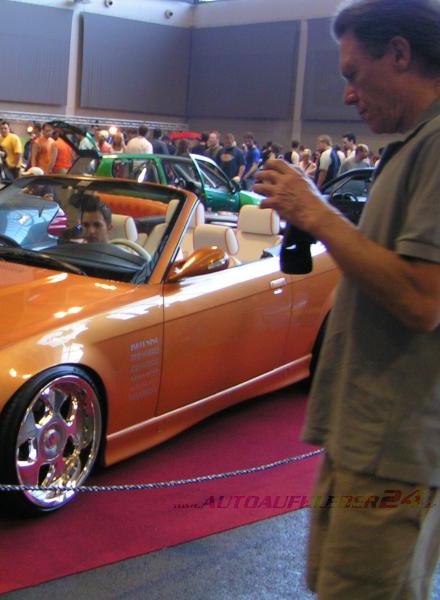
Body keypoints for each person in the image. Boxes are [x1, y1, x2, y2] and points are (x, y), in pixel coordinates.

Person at [253, 1, 440, 597]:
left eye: (354, 74)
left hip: (394, 448)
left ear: (400, 54)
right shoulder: (416, 146)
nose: (348, 95)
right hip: (370, 440)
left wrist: (317, 213)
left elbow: (422, 299)